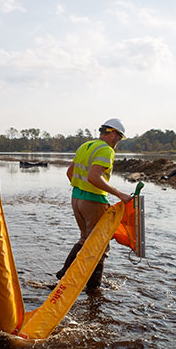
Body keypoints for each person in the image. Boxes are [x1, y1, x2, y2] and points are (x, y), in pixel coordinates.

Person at [56, 118, 133, 290]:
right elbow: (93, 177)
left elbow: (70, 172)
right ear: (113, 133)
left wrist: (80, 190)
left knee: (85, 239)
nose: (118, 142)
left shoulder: (86, 146)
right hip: (93, 200)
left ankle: (65, 272)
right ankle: (94, 287)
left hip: (76, 198)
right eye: (119, 138)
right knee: (101, 244)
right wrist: (119, 194)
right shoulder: (106, 150)